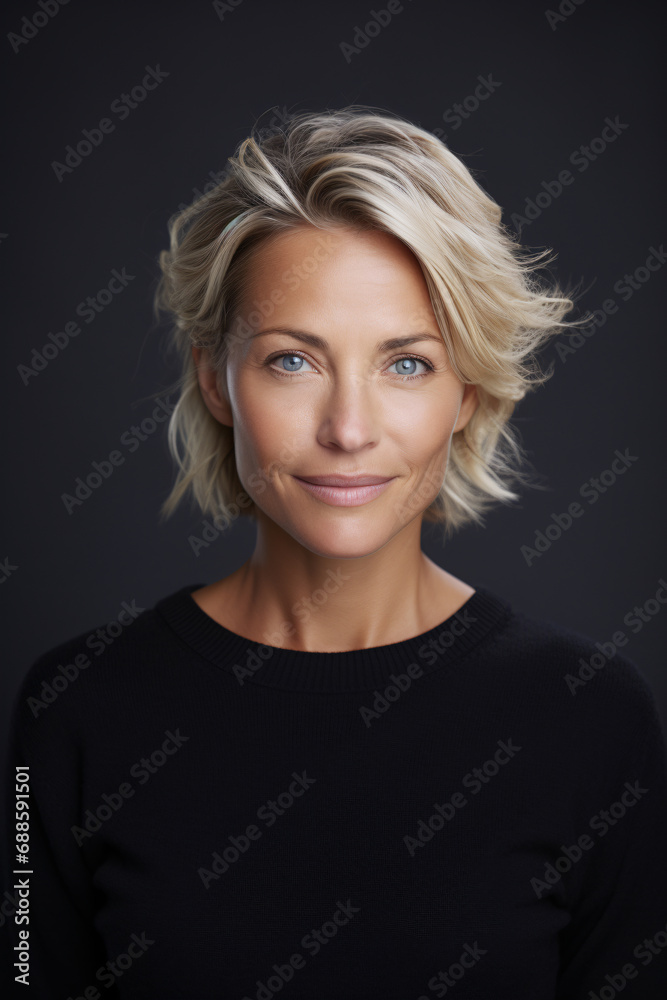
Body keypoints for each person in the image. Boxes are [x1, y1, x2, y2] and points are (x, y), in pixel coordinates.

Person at [3, 105, 667, 999]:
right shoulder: (75, 709)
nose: (348, 430)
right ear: (215, 378)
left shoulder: (590, 720)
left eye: (405, 364)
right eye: (292, 360)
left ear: (466, 390)